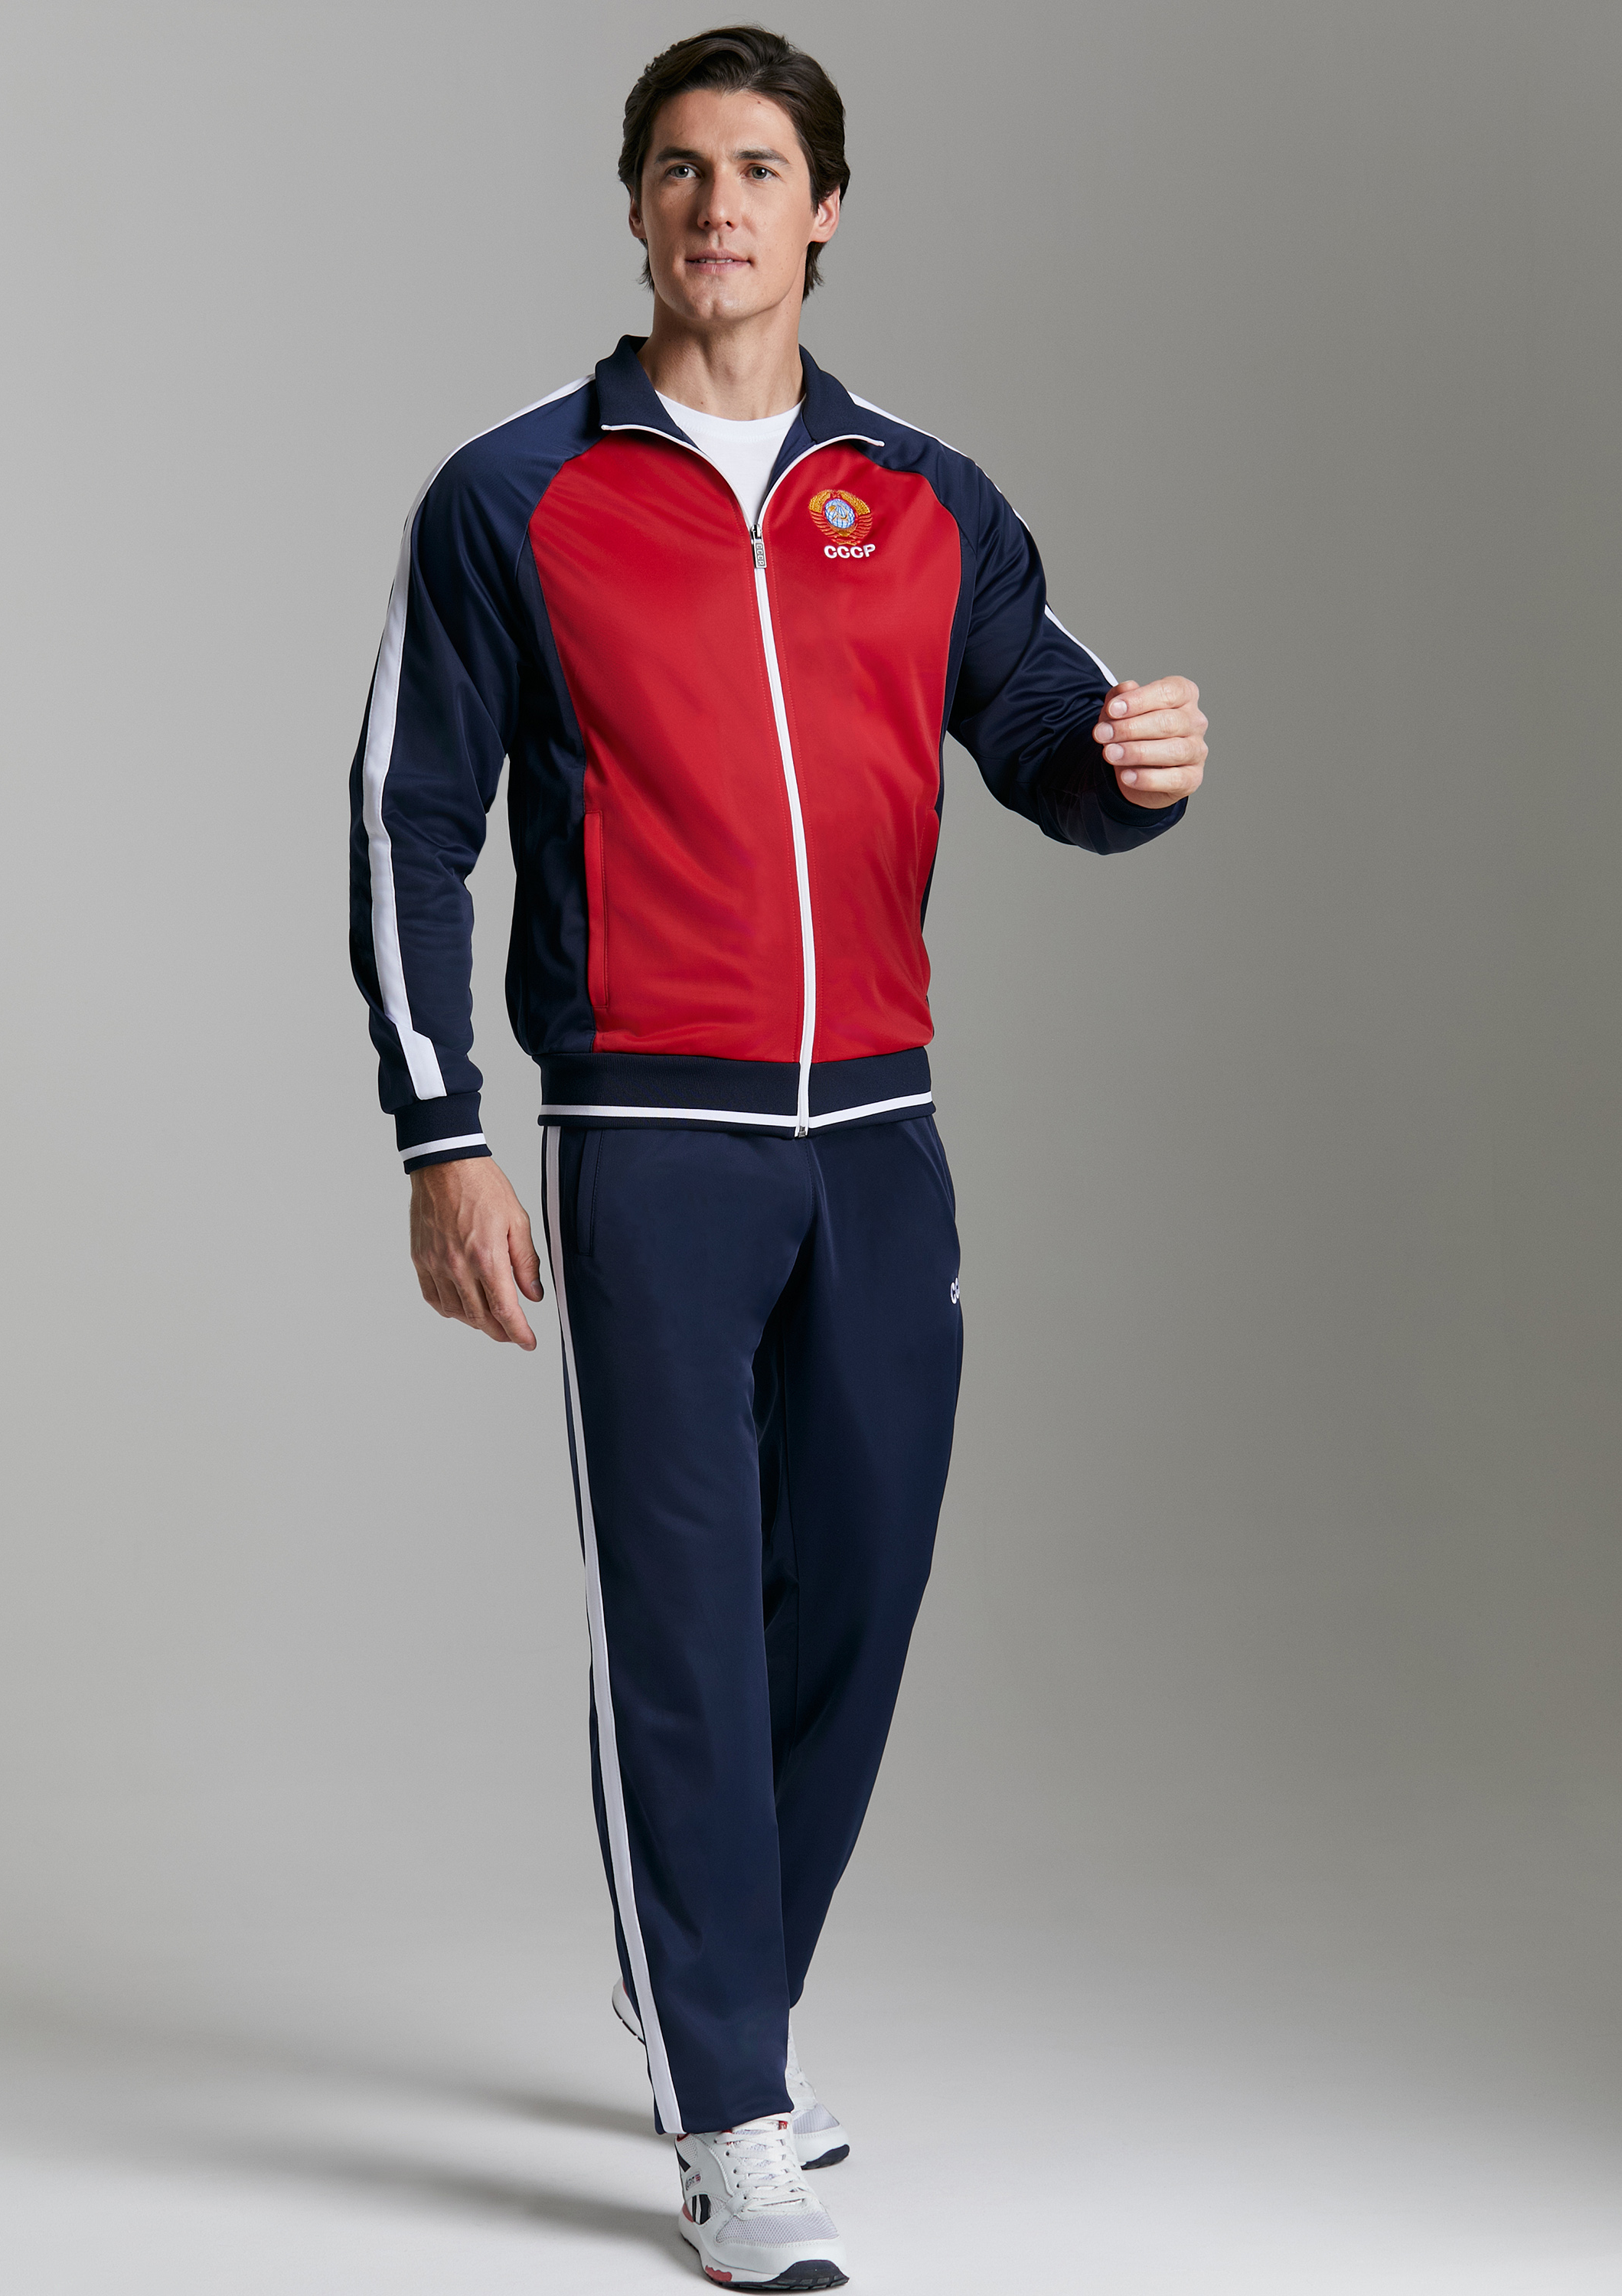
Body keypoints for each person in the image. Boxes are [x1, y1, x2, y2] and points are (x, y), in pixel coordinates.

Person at [349, 24, 1207, 2288]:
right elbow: (410, 819)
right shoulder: (512, 497)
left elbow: (1046, 736)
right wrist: (442, 1132)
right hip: (651, 1137)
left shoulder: (924, 499)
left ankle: (712, 1990)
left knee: (858, 1589)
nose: (715, 206)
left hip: (882, 1137)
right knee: (680, 1621)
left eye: (755, 169)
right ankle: (731, 2104)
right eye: (677, 169)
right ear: (633, 208)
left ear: (824, 211)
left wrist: (1139, 763)